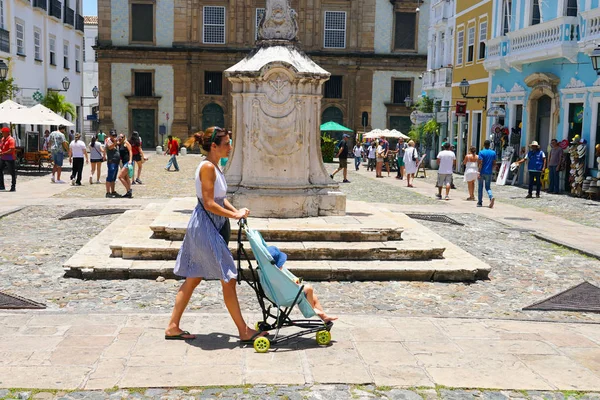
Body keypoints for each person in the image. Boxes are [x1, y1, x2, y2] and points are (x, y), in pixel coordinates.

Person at [165, 126, 264, 343]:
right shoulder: (207, 168)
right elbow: (209, 203)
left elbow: (221, 198)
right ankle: (243, 330)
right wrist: (234, 215)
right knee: (228, 278)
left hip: (212, 225)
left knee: (193, 277)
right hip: (206, 227)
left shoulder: (216, 167)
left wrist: (235, 211)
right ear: (214, 146)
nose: (230, 147)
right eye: (226, 143)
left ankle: (173, 326)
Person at [267, 245, 337, 323]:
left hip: (283, 294)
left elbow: (290, 281)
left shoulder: (270, 273)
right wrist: (298, 282)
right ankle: (311, 310)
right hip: (285, 297)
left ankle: (324, 316)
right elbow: (288, 284)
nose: (282, 265)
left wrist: (298, 281)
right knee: (308, 288)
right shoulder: (277, 276)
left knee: (313, 296)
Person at [477, 140, 497, 208]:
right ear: (489, 145)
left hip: (482, 171)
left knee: (480, 187)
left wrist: (479, 172)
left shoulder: (481, 152)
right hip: (489, 172)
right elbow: (494, 163)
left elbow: (480, 163)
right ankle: (491, 197)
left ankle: (480, 202)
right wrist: (492, 169)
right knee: (488, 187)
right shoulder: (493, 153)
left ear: (484, 145)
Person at [105, 130, 121, 198]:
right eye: (113, 135)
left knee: (114, 177)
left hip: (116, 161)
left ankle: (113, 191)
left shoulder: (116, 142)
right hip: (111, 161)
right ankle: (108, 192)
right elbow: (110, 147)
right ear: (110, 135)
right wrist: (115, 143)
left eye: (115, 135)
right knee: (110, 176)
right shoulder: (108, 141)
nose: (114, 137)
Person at [117, 133, 133, 198]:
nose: (120, 138)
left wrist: (130, 160)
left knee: (120, 176)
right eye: (119, 137)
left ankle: (129, 190)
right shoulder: (120, 143)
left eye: (122, 137)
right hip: (123, 162)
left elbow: (130, 151)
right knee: (126, 178)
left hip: (127, 162)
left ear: (124, 137)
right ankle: (128, 192)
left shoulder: (126, 143)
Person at [0, 127, 17, 192]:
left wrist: (3, 153)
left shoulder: (11, 139)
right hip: (3, 158)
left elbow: (11, 149)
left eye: (3, 132)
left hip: (10, 158)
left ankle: (13, 187)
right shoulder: (2, 139)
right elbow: (1, 146)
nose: (2, 134)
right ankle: (1, 186)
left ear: (7, 132)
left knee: (12, 173)